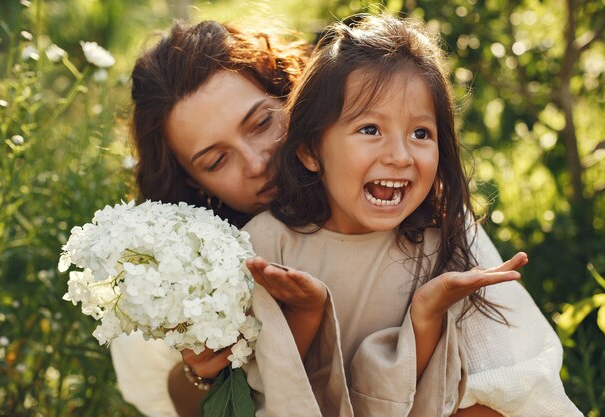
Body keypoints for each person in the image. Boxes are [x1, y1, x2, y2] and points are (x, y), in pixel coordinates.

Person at [240, 13, 583, 417]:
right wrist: (304, 316)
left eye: (421, 133)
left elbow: (424, 402)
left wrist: (426, 316)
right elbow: (259, 391)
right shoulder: (266, 245)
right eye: (370, 129)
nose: (400, 156)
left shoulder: (437, 241)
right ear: (311, 151)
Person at [110, 19, 307, 417]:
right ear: (193, 182)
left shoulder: (387, 184)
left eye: (262, 123)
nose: (257, 162)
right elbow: (171, 403)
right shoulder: (174, 285)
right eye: (217, 161)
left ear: (289, 91)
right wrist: (200, 373)